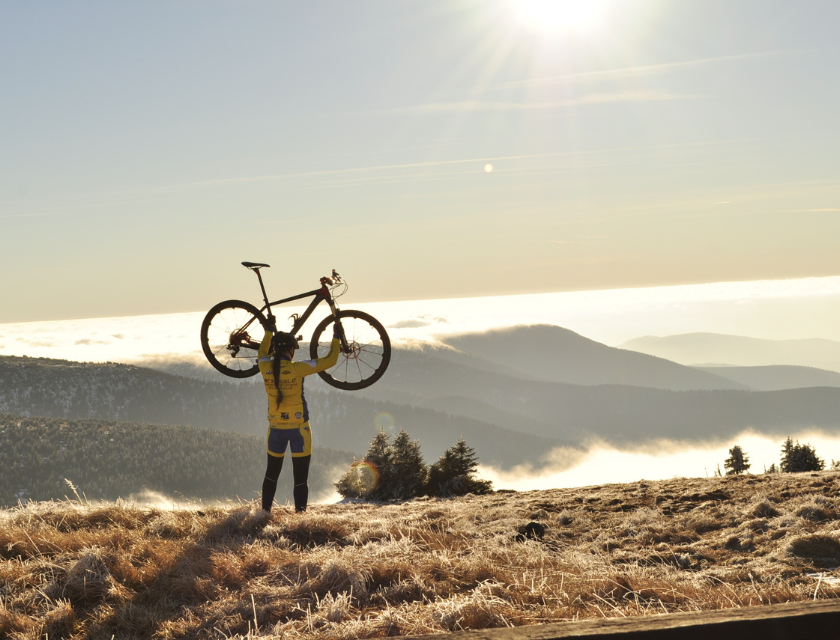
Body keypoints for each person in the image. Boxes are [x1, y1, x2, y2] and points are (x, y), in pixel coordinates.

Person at [257, 317, 340, 513]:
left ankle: (263, 515)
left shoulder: (264, 366)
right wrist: (336, 336)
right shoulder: (297, 368)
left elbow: (261, 351)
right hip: (300, 430)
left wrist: (268, 330)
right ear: (291, 351)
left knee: (271, 475)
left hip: (275, 430)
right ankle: (300, 519)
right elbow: (331, 360)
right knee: (300, 479)